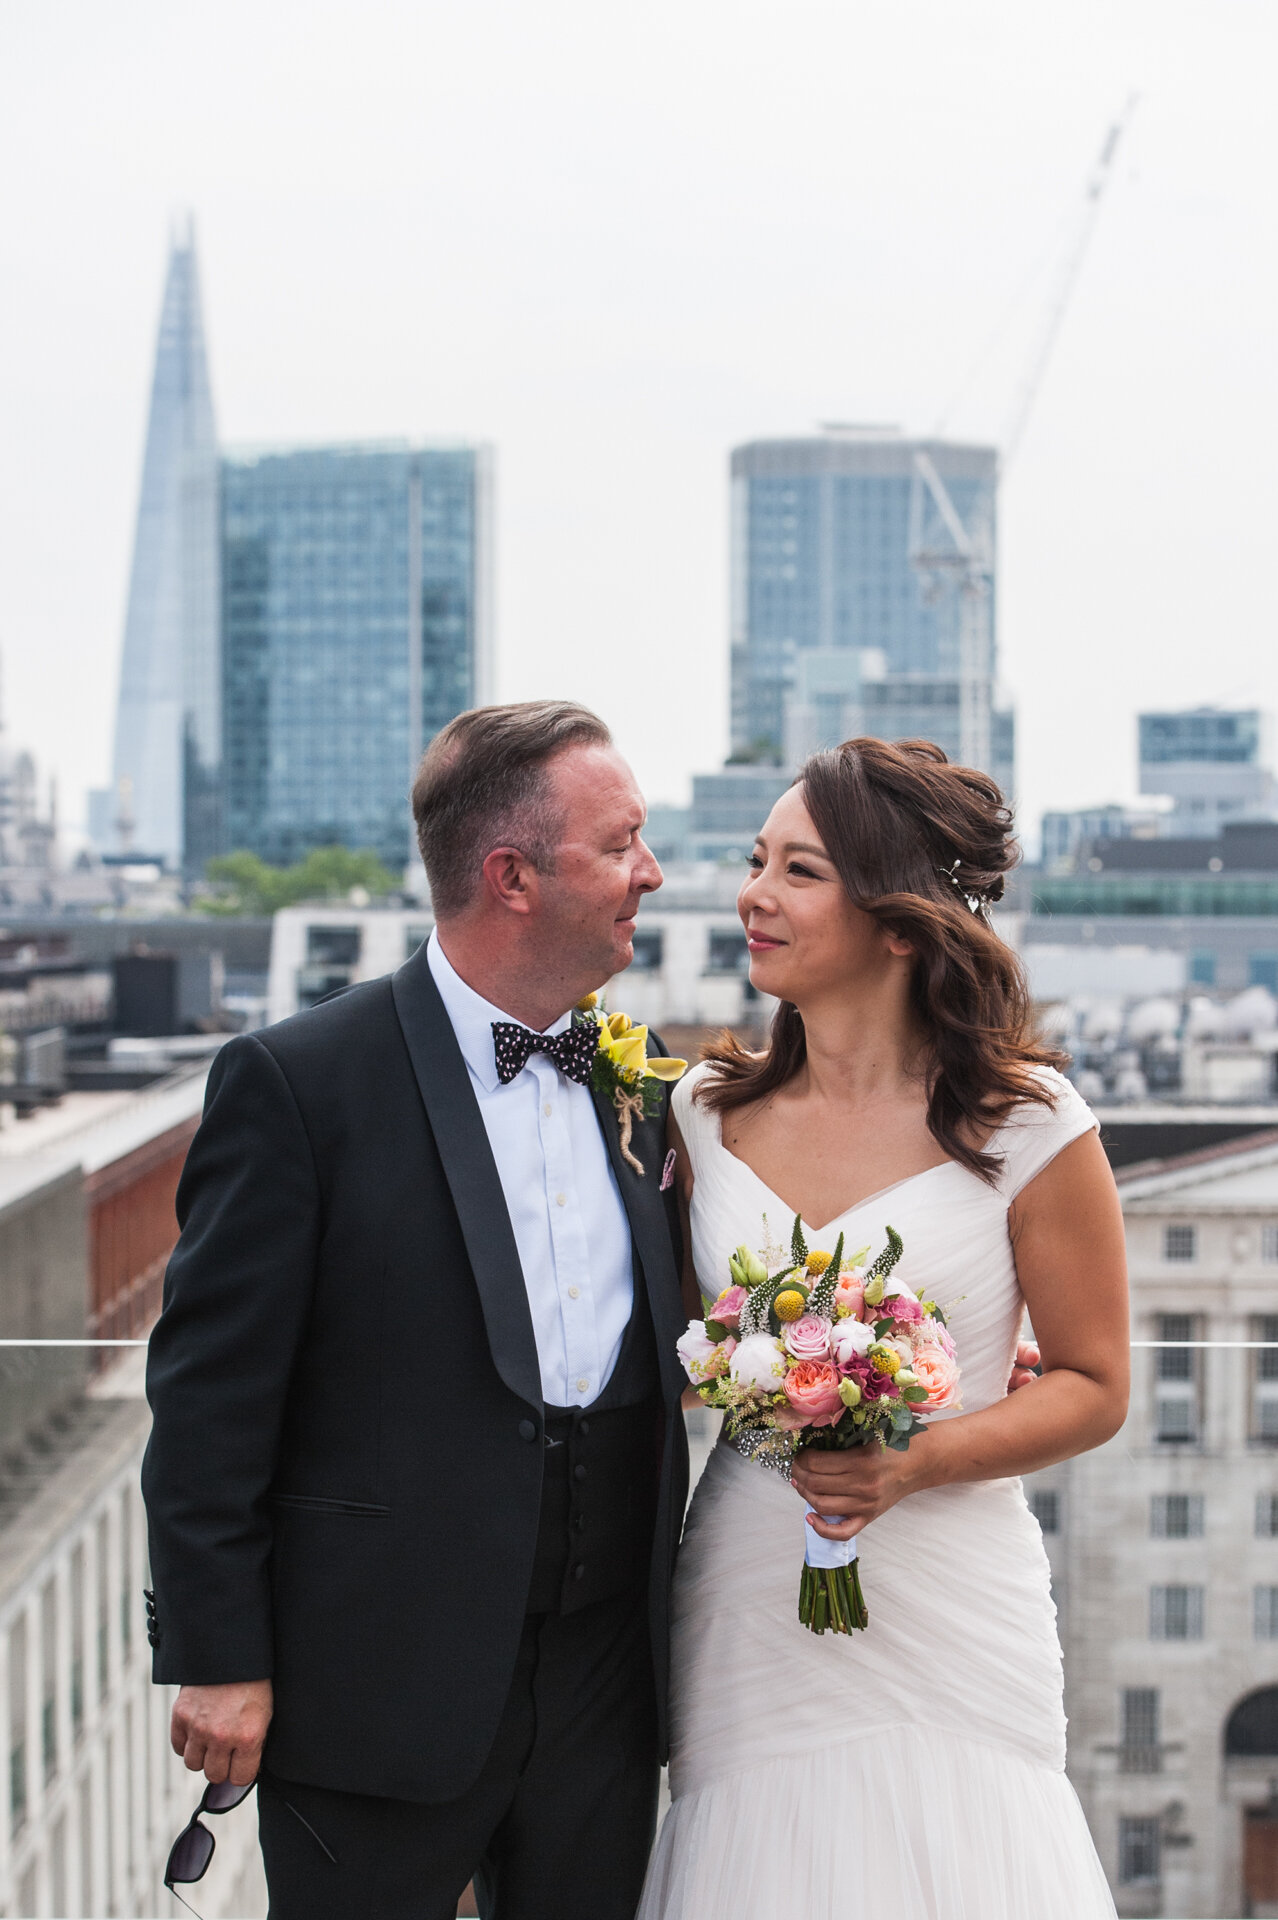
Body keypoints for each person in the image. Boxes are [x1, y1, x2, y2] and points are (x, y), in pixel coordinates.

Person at [142, 701, 691, 1919]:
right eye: (623, 844)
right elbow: (206, 1398)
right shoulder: (297, 1082)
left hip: (606, 1685)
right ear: (511, 876)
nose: (652, 873)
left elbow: (709, 1296)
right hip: (374, 1685)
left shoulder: (638, 1071)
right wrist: (217, 1656)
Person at [637, 737, 1128, 1920]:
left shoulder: (1030, 1122)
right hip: (754, 1588)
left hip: (953, 1596)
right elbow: (661, 1355)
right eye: (756, 861)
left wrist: (913, 1461)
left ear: (901, 924)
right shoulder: (699, 1115)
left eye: (797, 872)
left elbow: (1096, 1382)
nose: (751, 894)